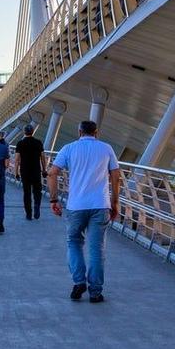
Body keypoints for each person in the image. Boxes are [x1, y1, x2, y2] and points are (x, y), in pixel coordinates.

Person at [47, 120, 121, 303]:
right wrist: (115, 202)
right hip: (100, 205)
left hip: (76, 206)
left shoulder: (69, 148)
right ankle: (95, 292)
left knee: (74, 242)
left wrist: (54, 199)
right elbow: (116, 176)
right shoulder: (106, 148)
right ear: (97, 132)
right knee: (97, 249)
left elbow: (52, 173)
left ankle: (79, 281)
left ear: (79, 131)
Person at [14, 124, 47, 220]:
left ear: (24, 132)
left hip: (24, 171)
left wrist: (16, 173)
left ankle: (28, 214)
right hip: (36, 170)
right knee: (37, 191)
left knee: (26, 193)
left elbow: (16, 160)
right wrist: (44, 169)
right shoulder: (38, 142)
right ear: (33, 132)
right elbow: (42, 157)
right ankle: (37, 206)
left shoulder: (20, 143)